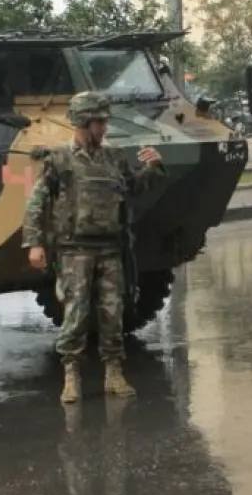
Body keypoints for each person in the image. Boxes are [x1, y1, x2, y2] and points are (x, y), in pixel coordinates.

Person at [22, 91, 166, 405]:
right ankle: (71, 375)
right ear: (83, 122)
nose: (104, 127)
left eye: (104, 121)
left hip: (110, 249)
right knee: (76, 313)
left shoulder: (113, 157)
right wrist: (34, 243)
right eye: (99, 121)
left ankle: (114, 372)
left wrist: (154, 168)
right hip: (74, 250)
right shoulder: (60, 159)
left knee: (113, 313)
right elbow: (37, 202)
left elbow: (131, 188)